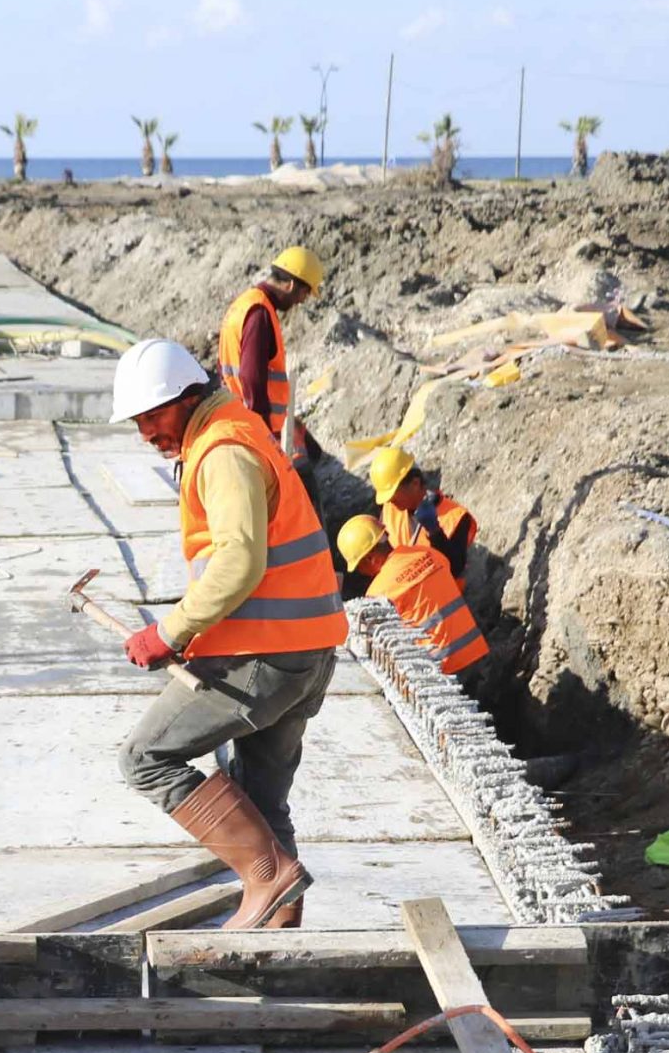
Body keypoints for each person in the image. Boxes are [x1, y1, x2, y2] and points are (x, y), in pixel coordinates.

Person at [110, 338, 348, 930]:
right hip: (305, 650)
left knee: (146, 758)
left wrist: (169, 631)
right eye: (137, 423)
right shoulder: (232, 429)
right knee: (263, 803)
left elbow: (238, 562)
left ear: (189, 398)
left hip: (263, 655)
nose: (146, 434)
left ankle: (268, 880)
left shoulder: (221, 451)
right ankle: (277, 932)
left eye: (152, 417)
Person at [338, 514, 488, 676]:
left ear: (370, 559)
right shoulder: (428, 553)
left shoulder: (378, 592)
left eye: (359, 567)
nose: (362, 573)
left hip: (440, 668)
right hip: (474, 650)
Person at [219, 246, 328, 463]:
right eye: (304, 293)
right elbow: (252, 377)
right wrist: (263, 436)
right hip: (250, 430)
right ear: (291, 284)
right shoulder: (259, 313)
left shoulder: (245, 303)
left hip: (236, 419)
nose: (302, 301)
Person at [368, 443, 478, 581]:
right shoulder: (390, 510)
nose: (389, 501)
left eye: (393, 494)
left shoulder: (454, 517)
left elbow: (455, 569)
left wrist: (435, 532)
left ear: (415, 483)